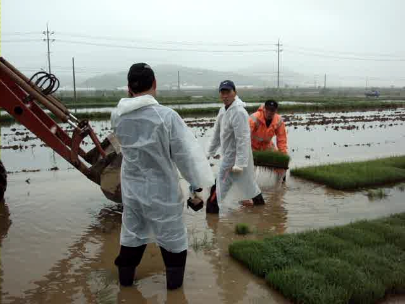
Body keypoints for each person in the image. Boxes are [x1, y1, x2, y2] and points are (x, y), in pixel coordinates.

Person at [111, 63, 214, 289]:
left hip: (132, 190)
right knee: (173, 239)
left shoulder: (117, 116)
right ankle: (174, 292)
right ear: (155, 83)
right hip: (162, 192)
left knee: (132, 235)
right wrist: (195, 188)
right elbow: (186, 158)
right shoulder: (166, 117)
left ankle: (125, 286)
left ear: (128, 87)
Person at [206, 80, 263, 211]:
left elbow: (243, 138)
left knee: (215, 195)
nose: (225, 96)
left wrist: (240, 164)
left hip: (233, 162)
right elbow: (216, 134)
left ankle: (212, 220)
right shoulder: (223, 110)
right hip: (229, 159)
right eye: (222, 92)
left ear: (235, 93)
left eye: (228, 92)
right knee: (250, 188)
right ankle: (263, 213)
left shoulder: (238, 112)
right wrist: (208, 153)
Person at [249, 99, 288, 181]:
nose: (269, 112)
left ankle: (280, 186)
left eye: (272, 110)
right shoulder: (254, 117)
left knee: (280, 164)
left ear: (276, 111)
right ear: (264, 109)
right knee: (249, 167)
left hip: (267, 146)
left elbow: (282, 140)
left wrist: (284, 157)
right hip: (252, 146)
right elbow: (245, 136)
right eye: (268, 109)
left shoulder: (279, 120)